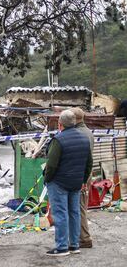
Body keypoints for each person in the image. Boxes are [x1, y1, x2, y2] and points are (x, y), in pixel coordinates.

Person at [44, 110, 92, 256]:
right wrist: (83, 180)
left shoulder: (58, 140)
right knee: (74, 212)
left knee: (61, 214)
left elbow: (51, 165)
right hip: (76, 182)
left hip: (59, 182)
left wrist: (47, 179)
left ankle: (62, 247)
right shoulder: (84, 138)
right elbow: (89, 163)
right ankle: (74, 244)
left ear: (60, 124)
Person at [70, 107, 94, 248]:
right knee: (80, 206)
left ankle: (84, 238)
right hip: (85, 174)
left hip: (80, 175)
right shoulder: (87, 132)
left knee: (79, 207)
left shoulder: (79, 133)